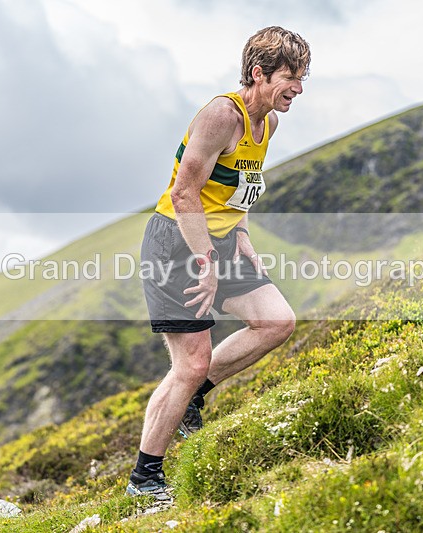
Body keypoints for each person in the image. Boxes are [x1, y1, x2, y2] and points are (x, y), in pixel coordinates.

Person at [127, 26, 311, 500]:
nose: (299, 88)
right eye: (291, 76)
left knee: (276, 321)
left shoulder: (267, 122)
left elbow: (239, 185)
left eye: (303, 77)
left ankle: (193, 400)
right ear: (258, 72)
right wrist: (206, 261)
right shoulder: (220, 116)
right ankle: (145, 479)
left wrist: (242, 235)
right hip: (177, 244)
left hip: (223, 241)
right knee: (189, 364)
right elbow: (183, 192)